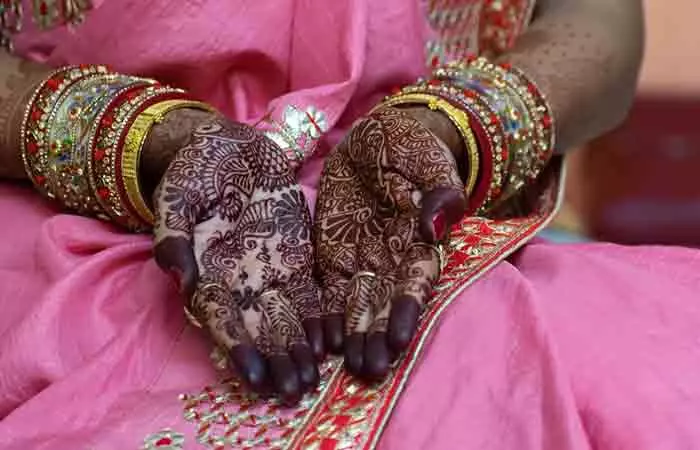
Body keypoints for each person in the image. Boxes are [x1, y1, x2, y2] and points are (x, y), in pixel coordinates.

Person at [3, 0, 698, 449]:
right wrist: (142, 139)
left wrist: (457, 127)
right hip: (72, 231)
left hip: (427, 230)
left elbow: (597, 20)